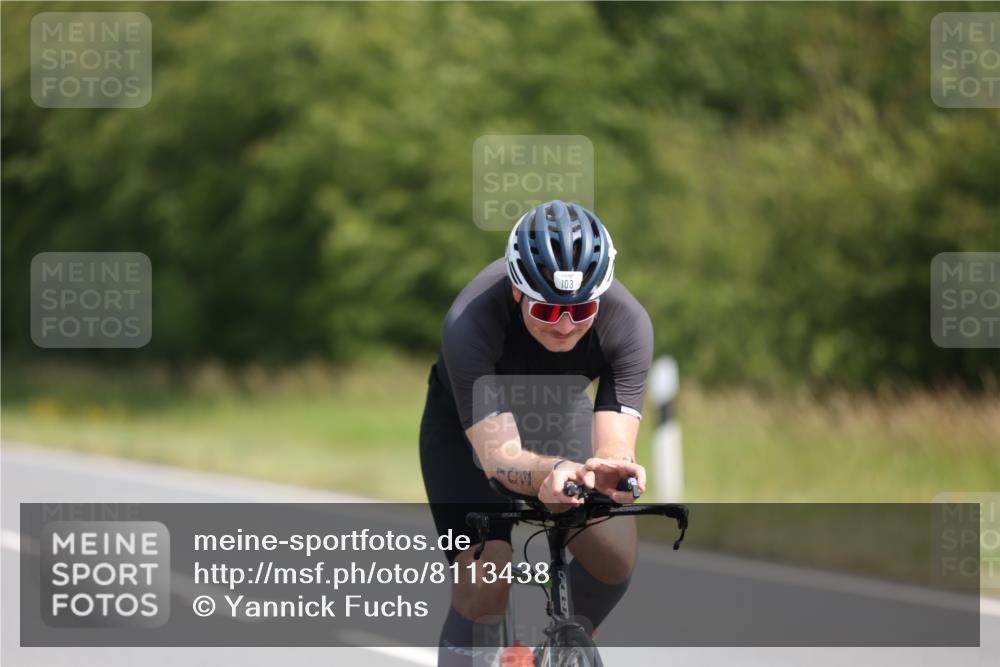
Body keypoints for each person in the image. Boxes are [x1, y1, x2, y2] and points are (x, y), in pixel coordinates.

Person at [419, 200, 653, 666]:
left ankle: (561, 647)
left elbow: (613, 445)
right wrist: (553, 472)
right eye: (547, 311)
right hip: (468, 428)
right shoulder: (469, 321)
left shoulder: (628, 323)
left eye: (581, 309)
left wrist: (610, 470)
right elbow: (498, 456)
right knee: (485, 581)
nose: (565, 325)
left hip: (559, 410)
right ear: (517, 292)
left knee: (614, 554)